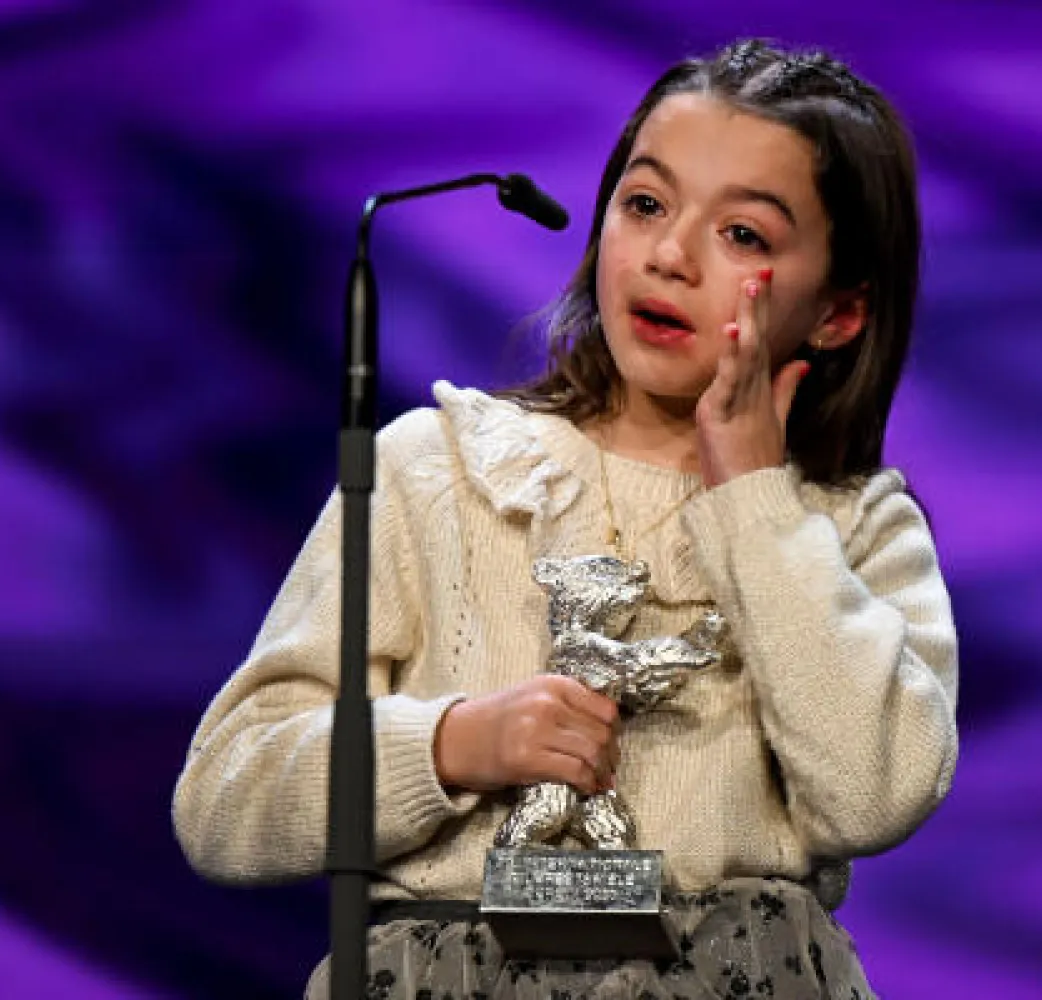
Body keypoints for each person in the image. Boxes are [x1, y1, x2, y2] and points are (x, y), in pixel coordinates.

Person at [173, 37, 959, 1000]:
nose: (669, 255)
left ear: (839, 312)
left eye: (743, 235)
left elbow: (874, 795)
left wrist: (755, 505)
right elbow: (223, 802)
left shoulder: (855, 525)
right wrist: (455, 742)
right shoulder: (439, 469)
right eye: (646, 204)